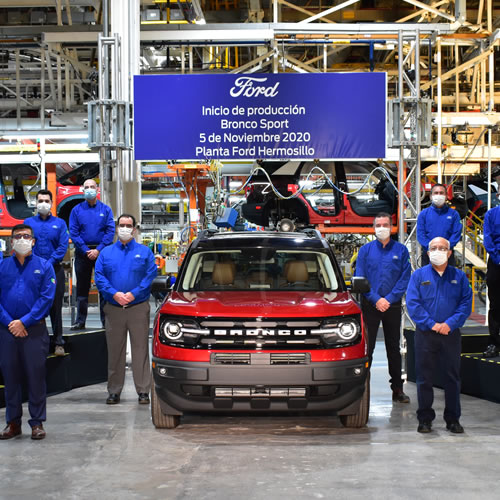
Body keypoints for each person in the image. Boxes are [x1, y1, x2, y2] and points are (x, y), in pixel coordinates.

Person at [406, 237, 472, 434]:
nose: (437, 251)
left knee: (452, 377)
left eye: (442, 248)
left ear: (449, 253)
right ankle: (425, 419)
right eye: (433, 248)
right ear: (427, 253)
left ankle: (453, 419)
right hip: (426, 334)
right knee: (424, 378)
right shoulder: (418, 276)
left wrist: (449, 324)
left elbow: (465, 304)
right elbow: (413, 304)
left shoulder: (459, 277)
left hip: (450, 334)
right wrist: (432, 324)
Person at [0, 224, 56, 440]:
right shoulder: (3, 266)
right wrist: (10, 322)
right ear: (11, 241)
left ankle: (37, 423)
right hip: (6, 332)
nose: (22, 239)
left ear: (33, 241)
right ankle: (13, 423)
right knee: (10, 378)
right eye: (18, 236)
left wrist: (24, 322)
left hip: (34, 331)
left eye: (26, 236)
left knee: (36, 377)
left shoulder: (44, 267)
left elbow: (46, 298)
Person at [94, 214, 157, 405]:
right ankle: (114, 391)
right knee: (115, 352)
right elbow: (99, 276)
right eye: (121, 225)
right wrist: (114, 294)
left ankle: (143, 391)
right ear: (116, 228)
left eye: (128, 225)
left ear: (134, 229)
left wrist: (133, 294)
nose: (124, 228)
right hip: (113, 309)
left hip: (138, 307)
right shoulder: (105, 253)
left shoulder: (145, 252)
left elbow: (150, 275)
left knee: (140, 350)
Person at [355, 212, 411, 403]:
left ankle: (397, 389)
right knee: (366, 349)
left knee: (393, 349)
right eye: (378, 225)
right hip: (370, 305)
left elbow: (405, 278)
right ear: (374, 228)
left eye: (385, 224)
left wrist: (389, 299)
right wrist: (375, 299)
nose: (382, 228)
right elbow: (360, 279)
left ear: (391, 226)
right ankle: (361, 388)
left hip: (392, 305)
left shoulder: (402, 251)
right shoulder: (365, 251)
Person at [25, 189, 69, 356]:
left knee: (55, 307)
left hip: (54, 270)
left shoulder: (60, 224)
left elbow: (62, 246)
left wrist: (47, 264)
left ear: (51, 203)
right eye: (40, 200)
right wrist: (37, 264)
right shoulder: (28, 222)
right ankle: (34, 342)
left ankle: (59, 343)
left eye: (46, 200)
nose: (43, 203)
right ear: (36, 203)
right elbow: (26, 243)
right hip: (32, 271)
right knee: (33, 305)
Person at [69, 179, 115, 329]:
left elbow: (110, 232)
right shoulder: (76, 210)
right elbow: (74, 233)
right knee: (82, 289)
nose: (89, 189)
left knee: (103, 287)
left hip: (102, 253)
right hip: (83, 253)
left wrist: (98, 250)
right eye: (87, 187)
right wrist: (85, 249)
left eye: (92, 187)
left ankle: (105, 321)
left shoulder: (106, 210)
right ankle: (80, 321)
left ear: (97, 189)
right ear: (83, 190)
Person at [417, 183, 461, 266]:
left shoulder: (454, 214)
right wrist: (432, 249)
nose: (439, 195)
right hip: (428, 255)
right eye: (436, 193)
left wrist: (445, 248)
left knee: (449, 278)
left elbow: (456, 233)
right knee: (428, 278)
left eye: (441, 193)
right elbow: (420, 234)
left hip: (447, 255)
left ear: (446, 196)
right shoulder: (423, 214)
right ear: (431, 196)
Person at [482, 202, 500, 358]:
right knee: (495, 305)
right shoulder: (491, 214)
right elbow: (487, 238)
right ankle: (493, 343)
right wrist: (497, 258)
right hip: (496, 261)